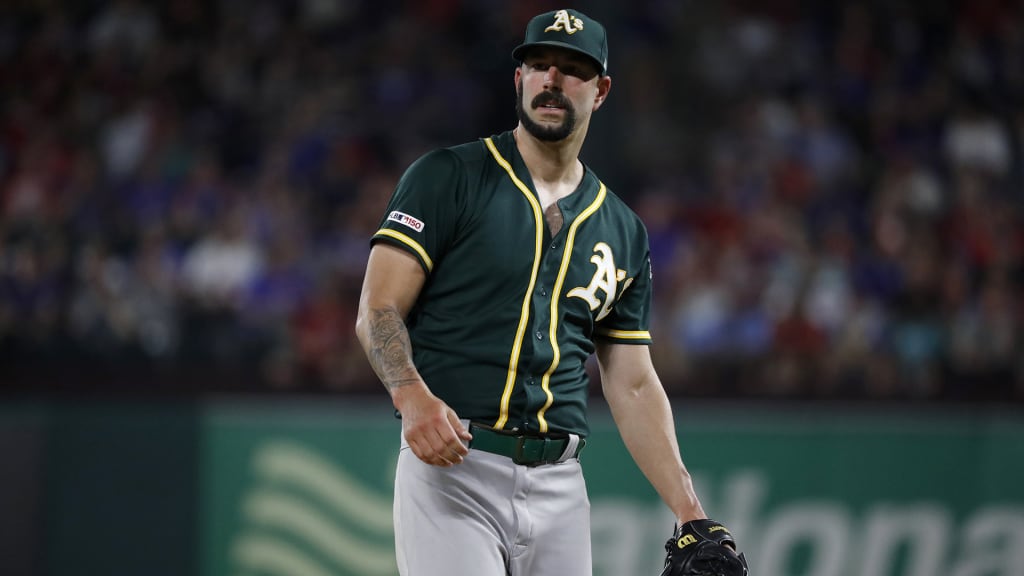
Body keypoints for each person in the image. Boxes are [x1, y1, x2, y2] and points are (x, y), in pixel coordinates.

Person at [356, 9, 744, 576]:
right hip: (453, 467)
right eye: (539, 64)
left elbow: (632, 381)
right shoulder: (447, 177)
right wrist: (410, 395)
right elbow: (378, 308)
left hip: (561, 485)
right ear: (519, 79)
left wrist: (690, 511)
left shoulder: (622, 229)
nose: (552, 79)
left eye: (572, 69)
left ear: (601, 90)